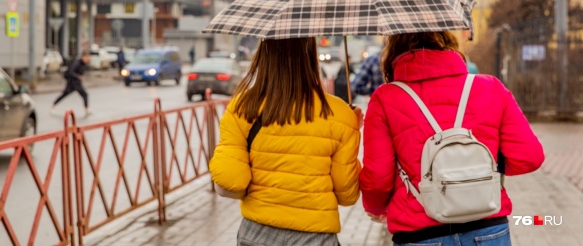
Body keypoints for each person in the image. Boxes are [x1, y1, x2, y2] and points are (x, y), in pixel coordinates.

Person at [359, 31, 544, 245]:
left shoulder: (384, 98)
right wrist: (483, 166)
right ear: (448, 41)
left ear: (393, 48)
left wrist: (376, 208)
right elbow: (530, 157)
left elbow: (377, 178)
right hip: (487, 225)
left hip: (420, 232)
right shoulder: (490, 87)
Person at [209, 37, 362, 246]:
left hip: (257, 234)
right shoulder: (340, 114)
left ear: (264, 55)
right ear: (310, 55)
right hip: (315, 236)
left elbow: (231, 181)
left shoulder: (243, 107)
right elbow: (348, 195)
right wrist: (351, 127)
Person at [50, 50, 92, 116]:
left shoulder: (84, 64)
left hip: (77, 83)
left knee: (85, 94)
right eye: (87, 57)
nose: (88, 59)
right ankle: (53, 105)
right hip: (72, 83)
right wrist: (78, 76)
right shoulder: (77, 63)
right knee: (64, 94)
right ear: (83, 57)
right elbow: (71, 72)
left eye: (89, 57)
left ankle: (86, 110)